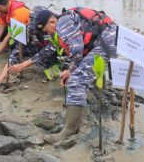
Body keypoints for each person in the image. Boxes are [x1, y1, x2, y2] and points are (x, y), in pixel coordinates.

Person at [32, 7, 117, 144]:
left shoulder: (62, 23)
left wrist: (70, 70)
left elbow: (77, 48)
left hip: (107, 42)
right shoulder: (68, 18)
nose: (50, 33)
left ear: (52, 21)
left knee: (76, 80)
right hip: (109, 37)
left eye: (48, 30)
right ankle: (95, 101)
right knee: (84, 71)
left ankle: (70, 130)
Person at [0, 7, 59, 86]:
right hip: (44, 49)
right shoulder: (31, 28)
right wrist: (5, 71)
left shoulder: (58, 27)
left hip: (60, 53)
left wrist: (23, 65)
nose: (34, 28)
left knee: (54, 74)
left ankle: (60, 68)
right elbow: (18, 49)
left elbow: (48, 50)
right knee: (25, 46)